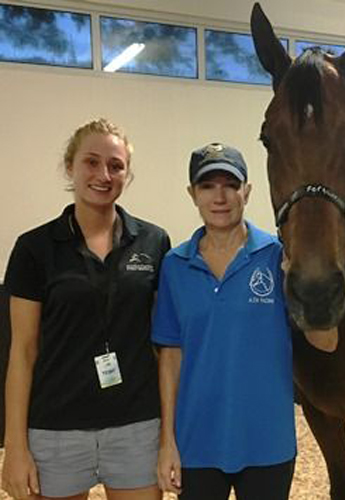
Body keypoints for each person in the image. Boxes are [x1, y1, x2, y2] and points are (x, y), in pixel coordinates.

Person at [2, 119, 170, 500]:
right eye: (91, 162)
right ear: (70, 167)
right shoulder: (34, 248)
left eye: (116, 165)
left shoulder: (154, 242)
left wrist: (168, 437)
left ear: (127, 173)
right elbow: (23, 352)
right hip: (56, 428)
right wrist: (14, 447)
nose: (103, 174)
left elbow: (164, 346)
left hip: (136, 425)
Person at [152, 143, 296, 500]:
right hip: (196, 441)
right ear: (192, 194)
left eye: (230, 184)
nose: (220, 196)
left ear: (247, 191)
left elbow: (326, 341)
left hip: (267, 443)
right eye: (207, 186)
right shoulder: (175, 264)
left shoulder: (278, 257)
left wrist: (305, 285)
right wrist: (167, 441)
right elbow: (170, 357)